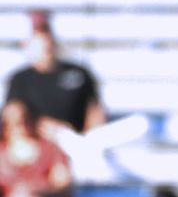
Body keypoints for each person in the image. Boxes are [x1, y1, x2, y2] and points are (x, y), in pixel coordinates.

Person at [4, 13, 106, 142]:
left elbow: (95, 114)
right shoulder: (19, 80)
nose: (45, 41)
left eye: (46, 34)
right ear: (27, 43)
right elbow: (13, 118)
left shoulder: (80, 74)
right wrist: (45, 129)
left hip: (76, 148)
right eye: (38, 37)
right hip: (37, 150)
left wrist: (75, 138)